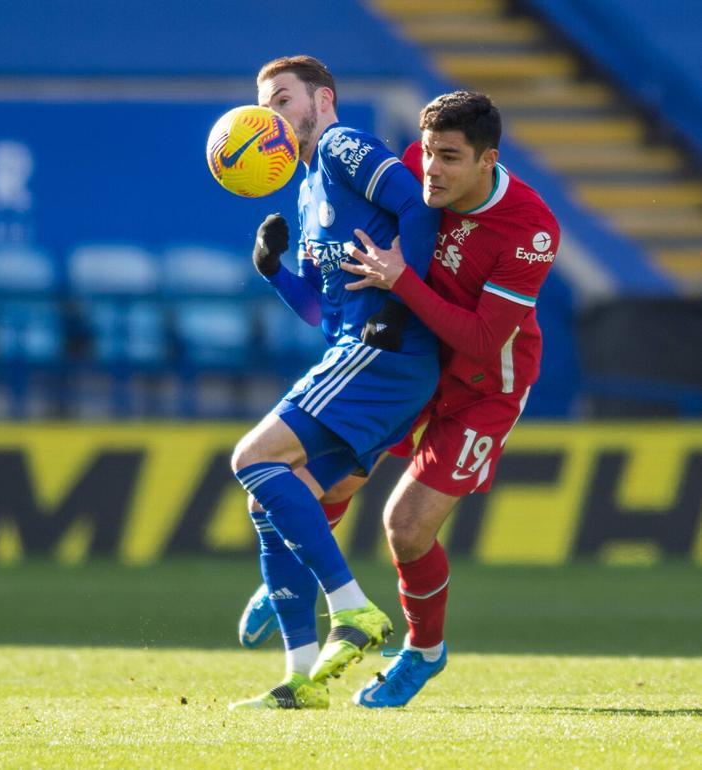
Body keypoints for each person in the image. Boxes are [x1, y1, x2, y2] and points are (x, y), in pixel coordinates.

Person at [239, 90, 560, 708]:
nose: (432, 169)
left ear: (488, 160)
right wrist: (290, 273)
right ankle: (295, 582)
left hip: (481, 386)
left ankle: (422, 653)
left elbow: (483, 337)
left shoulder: (530, 227)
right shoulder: (412, 174)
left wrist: (401, 284)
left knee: (406, 529)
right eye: (429, 152)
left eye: (450, 158)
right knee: (322, 486)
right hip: (411, 362)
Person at [228, 55, 441, 710]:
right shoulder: (308, 184)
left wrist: (406, 296)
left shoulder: (346, 147)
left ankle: (350, 610)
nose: (275, 117)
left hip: (387, 351)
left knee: (251, 459)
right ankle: (299, 682)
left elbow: (418, 204)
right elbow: (327, 312)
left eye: (284, 100)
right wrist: (276, 274)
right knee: (268, 501)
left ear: (323, 100)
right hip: (362, 350)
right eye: (266, 107)